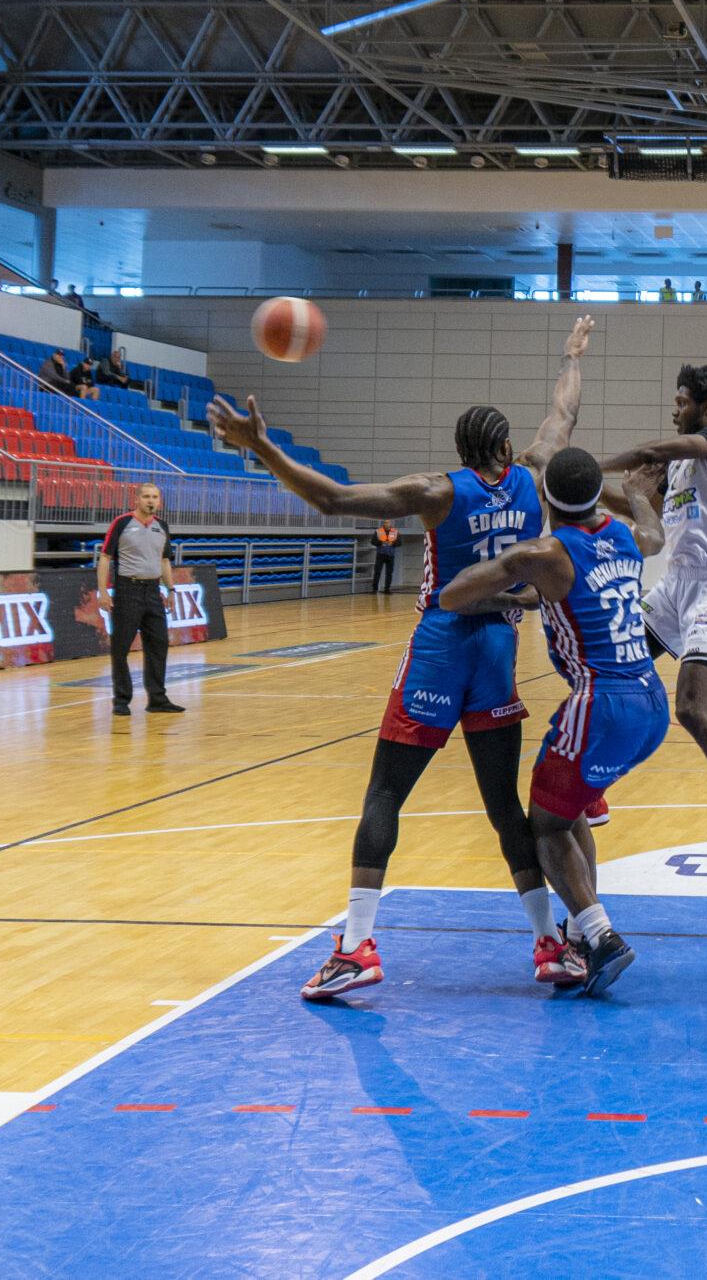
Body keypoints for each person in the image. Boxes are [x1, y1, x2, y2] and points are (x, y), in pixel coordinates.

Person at [207, 316, 598, 1001]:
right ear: (507, 447)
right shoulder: (533, 478)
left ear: (460, 449)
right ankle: (548, 945)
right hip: (498, 650)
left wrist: (262, 447)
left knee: (386, 792)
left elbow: (331, 499)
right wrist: (572, 355)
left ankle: (357, 947)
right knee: (504, 807)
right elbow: (563, 412)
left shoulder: (436, 491)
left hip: (440, 648)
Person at [437, 447, 670, 995]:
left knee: (544, 824)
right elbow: (656, 534)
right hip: (650, 699)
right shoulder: (626, 536)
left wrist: (512, 591)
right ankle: (584, 929)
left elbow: (452, 594)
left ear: (546, 500)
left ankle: (601, 935)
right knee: (569, 811)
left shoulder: (543, 553)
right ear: (596, 495)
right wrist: (637, 492)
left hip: (601, 703)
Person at [598, 363, 707, 883]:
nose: (674, 410)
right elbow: (635, 507)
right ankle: (594, 783)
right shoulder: (676, 470)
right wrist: (571, 493)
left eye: (681, 401)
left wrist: (584, 466)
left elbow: (650, 453)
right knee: (611, 670)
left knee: (693, 708)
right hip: (675, 584)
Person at [97, 484, 183, 716]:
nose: (150, 501)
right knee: (121, 647)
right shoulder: (122, 523)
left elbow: (164, 562)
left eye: (155, 497)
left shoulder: (161, 526)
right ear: (136, 499)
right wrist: (103, 591)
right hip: (128, 590)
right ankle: (121, 700)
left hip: (153, 591)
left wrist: (171, 589)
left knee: (158, 644)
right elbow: (105, 557)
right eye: (146, 496)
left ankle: (157, 698)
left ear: (160, 501)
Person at [371, 521, 400, 594]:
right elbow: (373, 541)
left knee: (389, 573)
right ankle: (374, 589)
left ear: (390, 523)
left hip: (390, 555)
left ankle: (387, 589)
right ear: (383, 523)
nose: (386, 524)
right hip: (380, 554)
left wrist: (393, 543)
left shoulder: (395, 532)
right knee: (377, 572)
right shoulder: (378, 531)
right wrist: (380, 542)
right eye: (385, 522)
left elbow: (399, 543)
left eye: (388, 522)